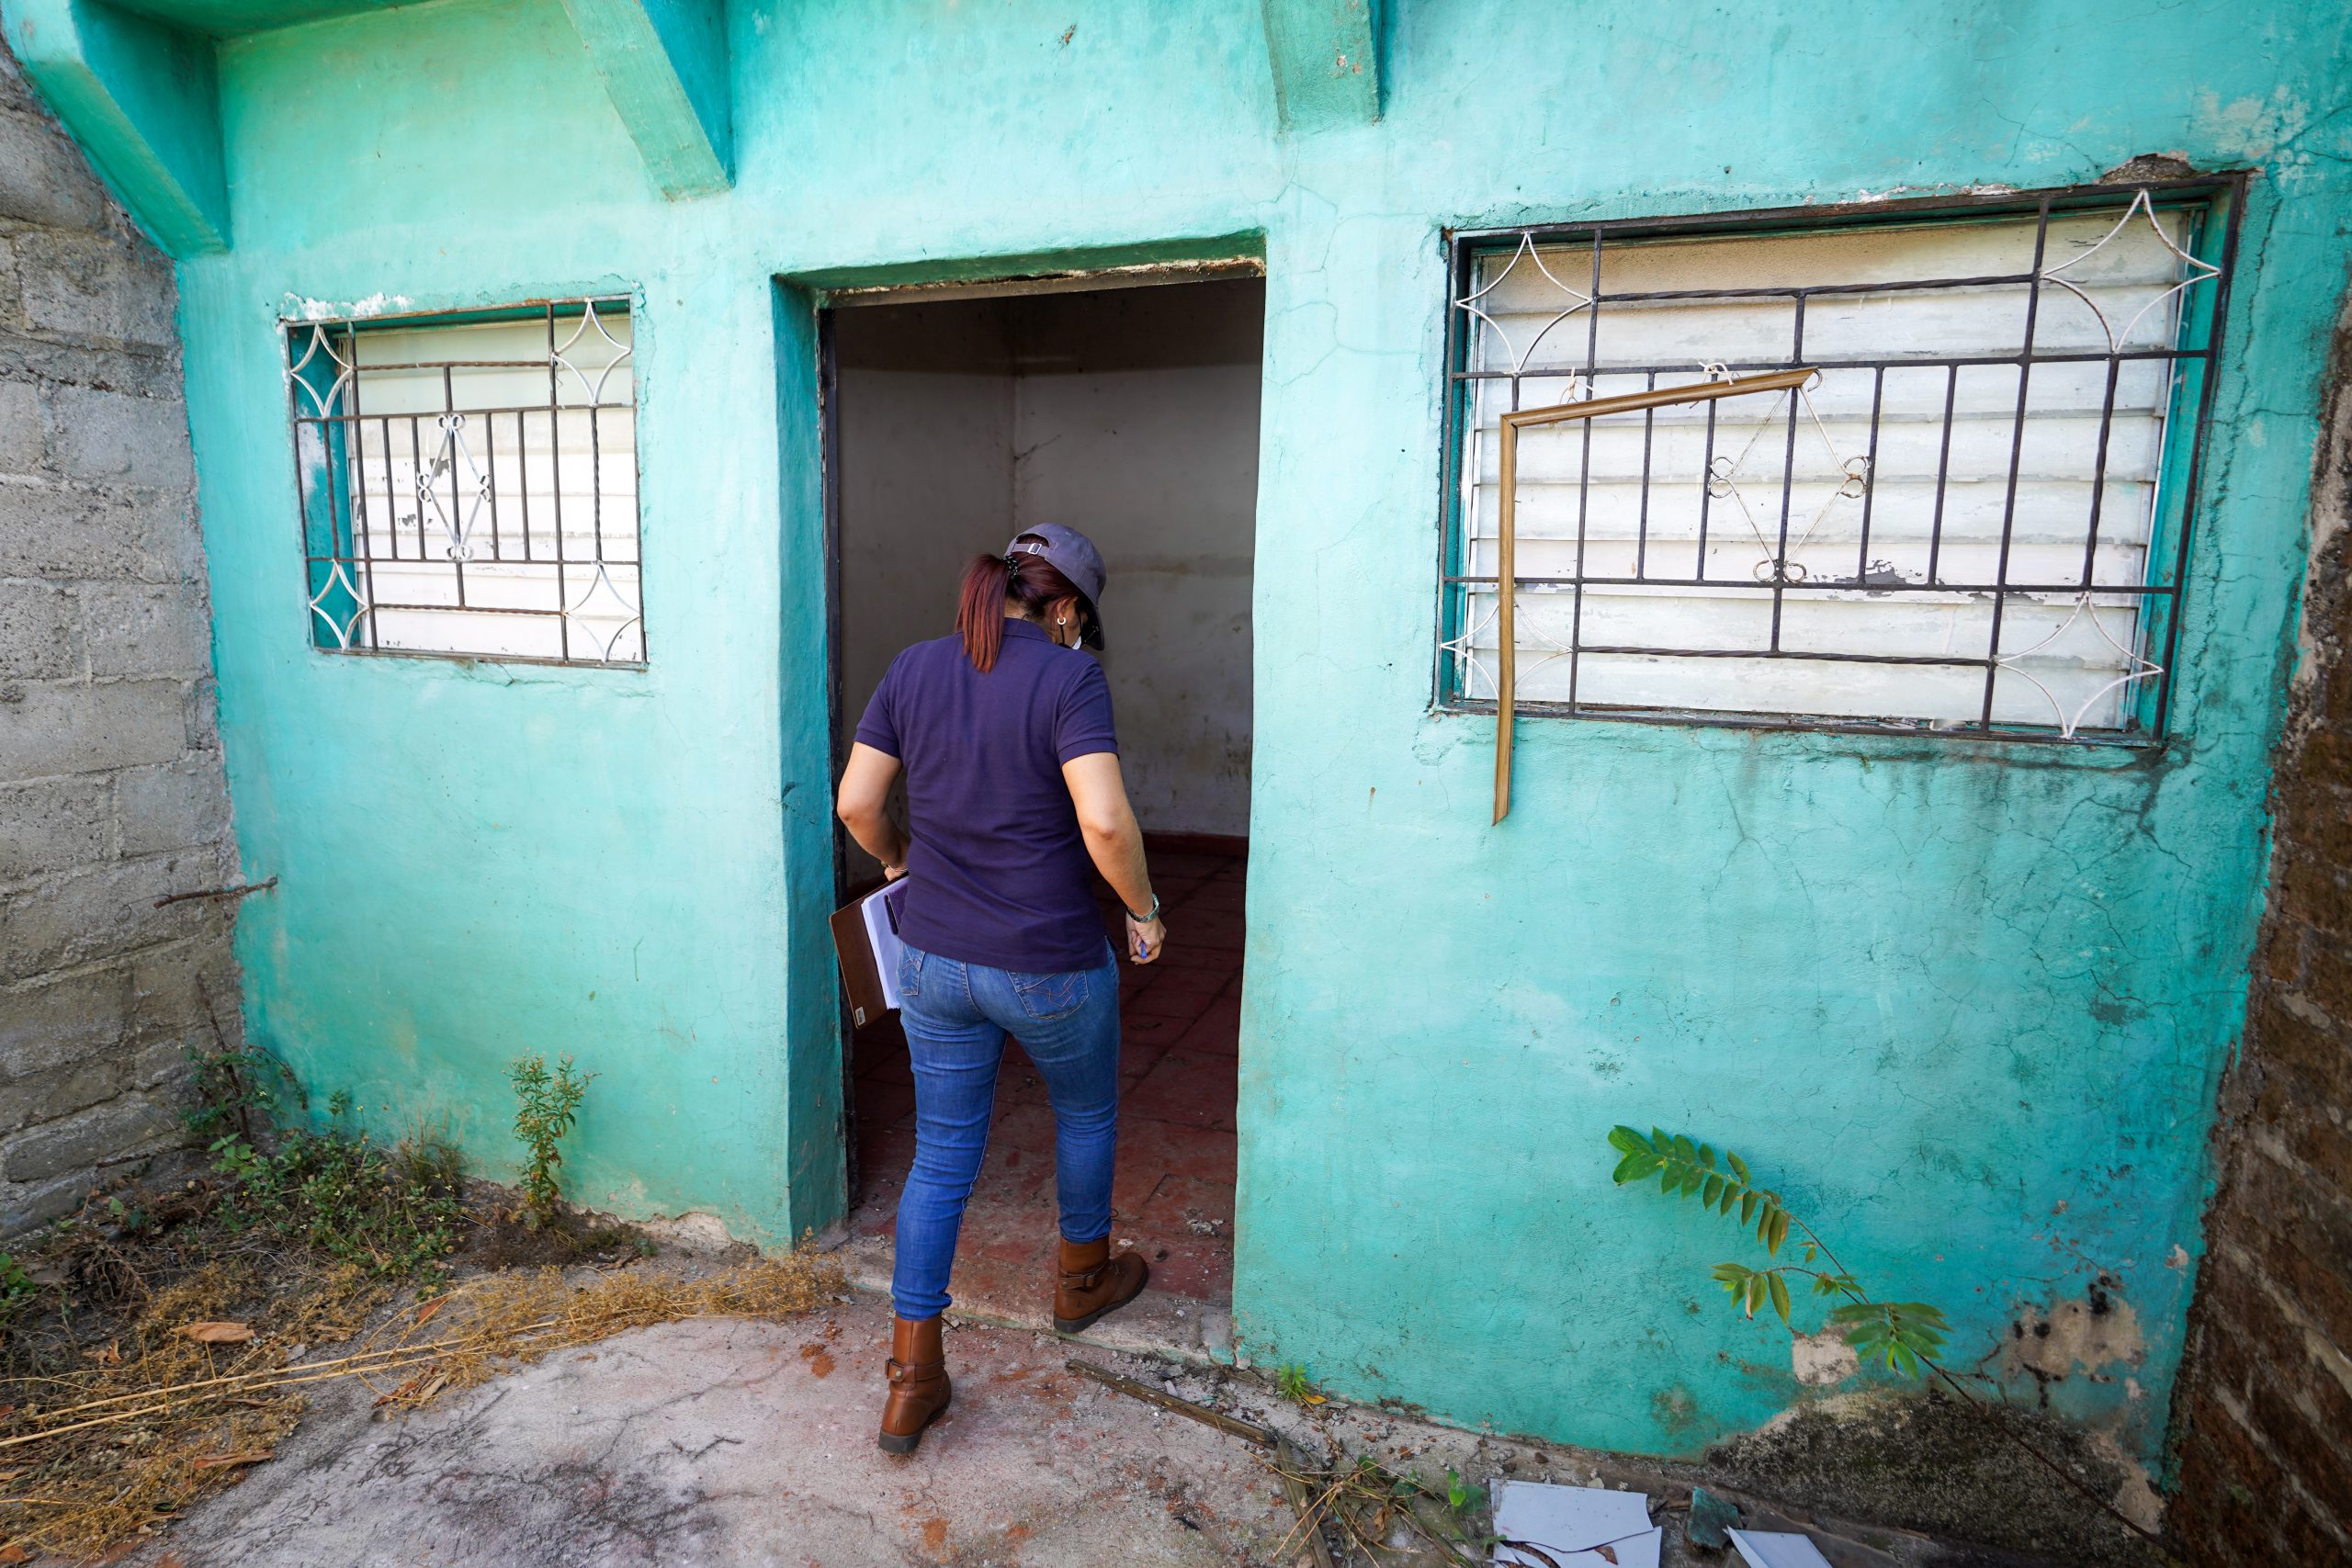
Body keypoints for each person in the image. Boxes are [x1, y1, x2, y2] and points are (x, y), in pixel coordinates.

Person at [835, 524, 1169, 1455]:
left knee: (941, 1156)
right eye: (1081, 619)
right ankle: (1081, 1282)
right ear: (1064, 608)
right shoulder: (1070, 679)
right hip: (1047, 960)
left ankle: (913, 1378)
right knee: (1085, 1113)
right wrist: (1143, 909)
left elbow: (856, 803)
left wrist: (899, 859)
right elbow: (1105, 823)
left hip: (932, 961)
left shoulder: (913, 667)